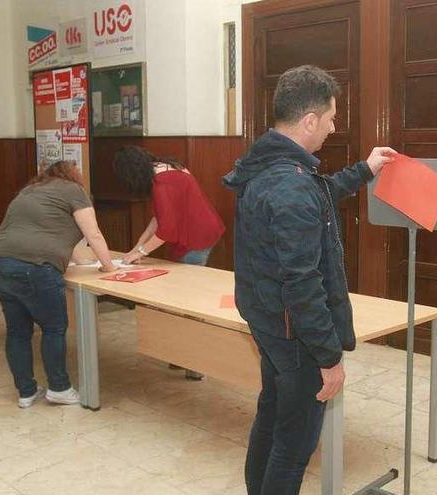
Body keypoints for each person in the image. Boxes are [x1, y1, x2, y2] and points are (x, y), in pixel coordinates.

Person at [223, 65, 396, 494]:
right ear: (309, 121)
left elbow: (316, 193)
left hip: (267, 321)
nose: (333, 128)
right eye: (332, 119)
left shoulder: (268, 166)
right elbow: (302, 285)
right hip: (295, 334)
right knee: (295, 441)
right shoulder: (291, 185)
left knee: (273, 413)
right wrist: (328, 356)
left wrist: (365, 169)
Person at [0, 160, 117, 408]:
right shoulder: (73, 190)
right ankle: (59, 388)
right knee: (53, 328)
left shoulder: (28, 192)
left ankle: (26, 392)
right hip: (35, 267)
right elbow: (93, 234)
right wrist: (110, 268)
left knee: (17, 331)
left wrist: (83, 262)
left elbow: (57, 236)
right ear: (73, 176)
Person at [113, 145, 226, 380]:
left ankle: (195, 365)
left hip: (195, 239)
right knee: (181, 299)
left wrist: (141, 250)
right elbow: (158, 219)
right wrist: (136, 249)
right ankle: (180, 355)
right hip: (200, 233)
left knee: (188, 304)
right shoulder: (168, 168)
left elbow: (166, 231)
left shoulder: (161, 184)